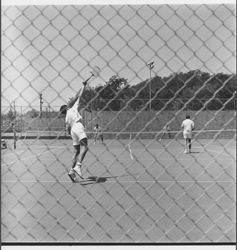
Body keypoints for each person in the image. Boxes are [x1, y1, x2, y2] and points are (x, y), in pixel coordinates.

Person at [60, 81, 88, 182]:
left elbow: (67, 129)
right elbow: (79, 95)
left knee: (76, 151)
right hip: (78, 126)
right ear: (66, 108)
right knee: (85, 146)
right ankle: (78, 166)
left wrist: (71, 134)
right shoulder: (72, 108)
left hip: (72, 131)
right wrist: (83, 86)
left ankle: (71, 171)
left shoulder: (66, 118)